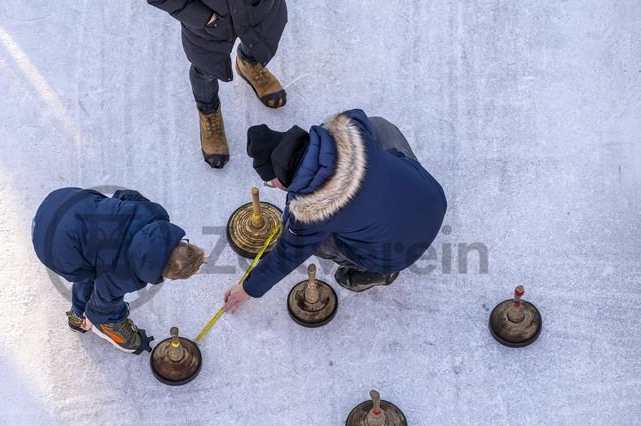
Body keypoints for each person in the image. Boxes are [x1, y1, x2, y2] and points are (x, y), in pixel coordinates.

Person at [223, 109, 448, 313]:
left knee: (316, 243)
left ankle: (380, 273)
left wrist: (248, 288)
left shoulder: (311, 213)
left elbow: (286, 256)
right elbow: (356, 120)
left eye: (272, 184)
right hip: (432, 198)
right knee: (378, 125)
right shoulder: (349, 126)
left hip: (398, 252)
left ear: (278, 178)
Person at [32, 188, 206, 354]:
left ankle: (93, 245)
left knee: (97, 256)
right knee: (90, 276)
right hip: (50, 244)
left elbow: (125, 195)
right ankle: (78, 317)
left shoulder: (153, 213)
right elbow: (102, 304)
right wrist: (93, 317)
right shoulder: (124, 274)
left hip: (65, 200)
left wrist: (113, 216)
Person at [147, 0, 288, 168]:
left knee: (258, 37)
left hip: (257, 7)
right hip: (208, 21)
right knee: (206, 67)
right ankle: (208, 109)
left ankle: (248, 63)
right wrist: (203, 17)